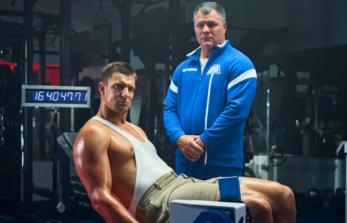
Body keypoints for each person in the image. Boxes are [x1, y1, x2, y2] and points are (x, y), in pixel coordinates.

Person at [73, 62, 296, 223]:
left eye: (130, 88)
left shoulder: (134, 128)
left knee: (283, 194)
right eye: (118, 87)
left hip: (183, 184)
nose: (126, 94)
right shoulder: (94, 132)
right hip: (159, 200)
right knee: (258, 206)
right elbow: (100, 199)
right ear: (102, 89)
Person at [163, 2, 257, 180]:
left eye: (211, 24)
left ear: (224, 26)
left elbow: (236, 111)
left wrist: (205, 140)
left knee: (221, 209)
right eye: (200, 25)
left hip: (223, 164)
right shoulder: (182, 69)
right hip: (185, 162)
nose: (205, 30)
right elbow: (169, 109)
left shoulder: (240, 64)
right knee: (183, 208)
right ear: (194, 28)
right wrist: (179, 138)